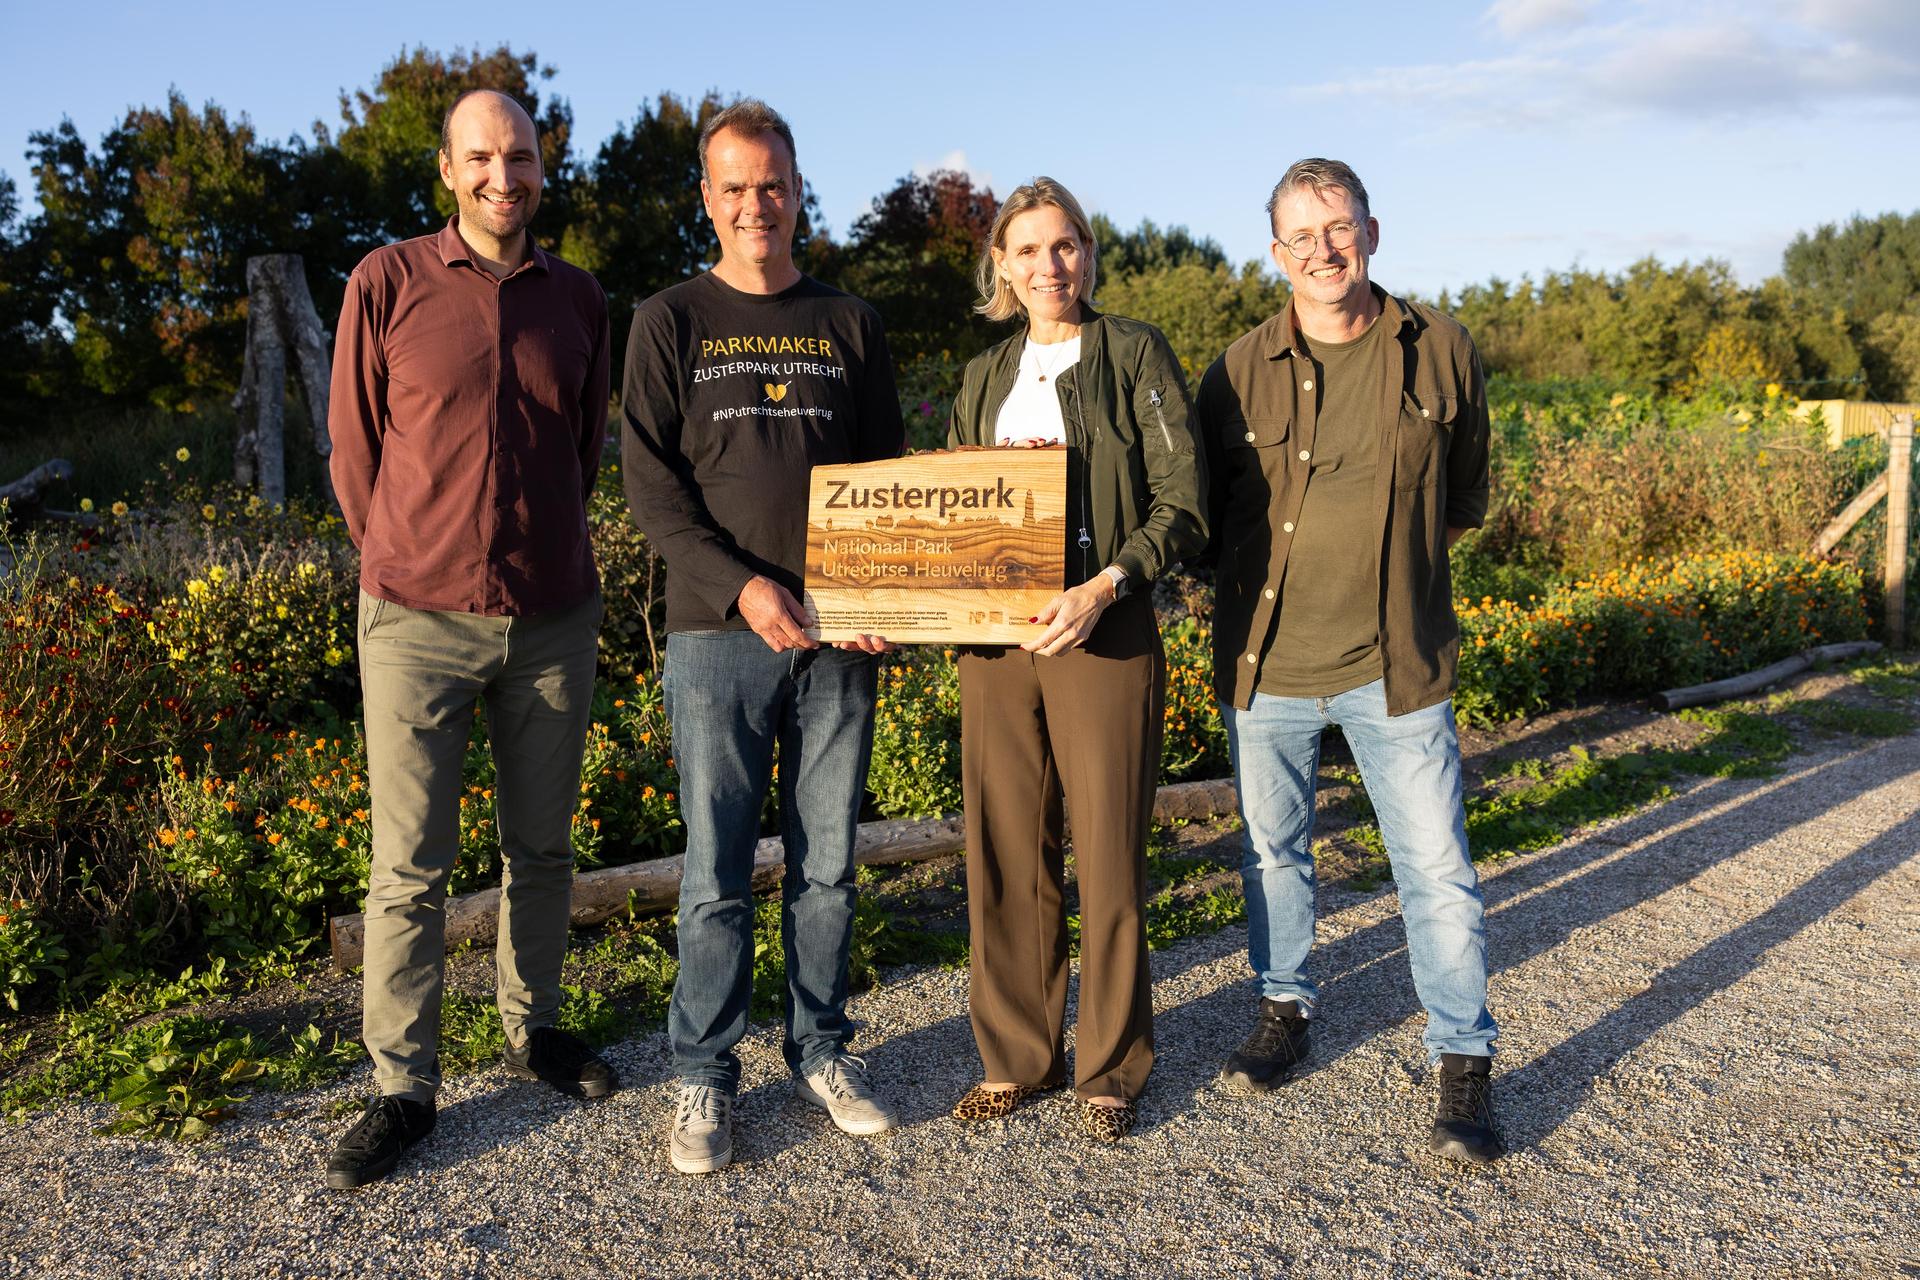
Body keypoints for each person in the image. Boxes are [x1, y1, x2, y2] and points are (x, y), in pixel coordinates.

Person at [324, 89, 616, 1190]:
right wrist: (408, 556)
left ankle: (534, 1028)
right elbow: (356, 453)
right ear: (450, 171)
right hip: (416, 616)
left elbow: (581, 455)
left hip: (550, 614)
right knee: (409, 865)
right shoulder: (387, 281)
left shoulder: (579, 299)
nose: (506, 175)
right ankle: (404, 1084)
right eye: (483, 157)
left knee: (540, 847)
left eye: (524, 156)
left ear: (544, 168)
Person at [1195, 158, 1503, 1164]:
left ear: (1372, 229)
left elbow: (1462, 497)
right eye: (1302, 234)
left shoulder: (1443, 350)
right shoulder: (1235, 370)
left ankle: (1462, 1059)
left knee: (1437, 870)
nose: (1324, 248)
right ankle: (1285, 1006)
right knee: (1275, 855)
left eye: (1340, 227)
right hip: (1267, 662)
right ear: (1275, 252)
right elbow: (1207, 514)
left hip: (1396, 663)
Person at [621, 99, 905, 1176]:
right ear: (709, 197)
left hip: (840, 637)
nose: (756, 204)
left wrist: (889, 590)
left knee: (828, 865)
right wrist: (742, 589)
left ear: (797, 190)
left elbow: (886, 476)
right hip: (717, 636)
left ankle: (823, 1047)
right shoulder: (669, 319)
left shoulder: (849, 321)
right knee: (717, 871)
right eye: (733, 187)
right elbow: (651, 487)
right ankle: (704, 1070)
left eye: (772, 185)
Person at [945, 178, 1207, 1142]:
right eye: (1029, 251)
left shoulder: (1132, 352)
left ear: (1088, 255)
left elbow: (1183, 500)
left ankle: (1108, 1065)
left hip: (1102, 629)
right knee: (1007, 848)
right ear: (1002, 268)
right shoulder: (983, 375)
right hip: (999, 645)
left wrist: (1107, 585)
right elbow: (954, 503)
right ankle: (1017, 1056)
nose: (1049, 266)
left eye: (1067, 246)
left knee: (1107, 849)